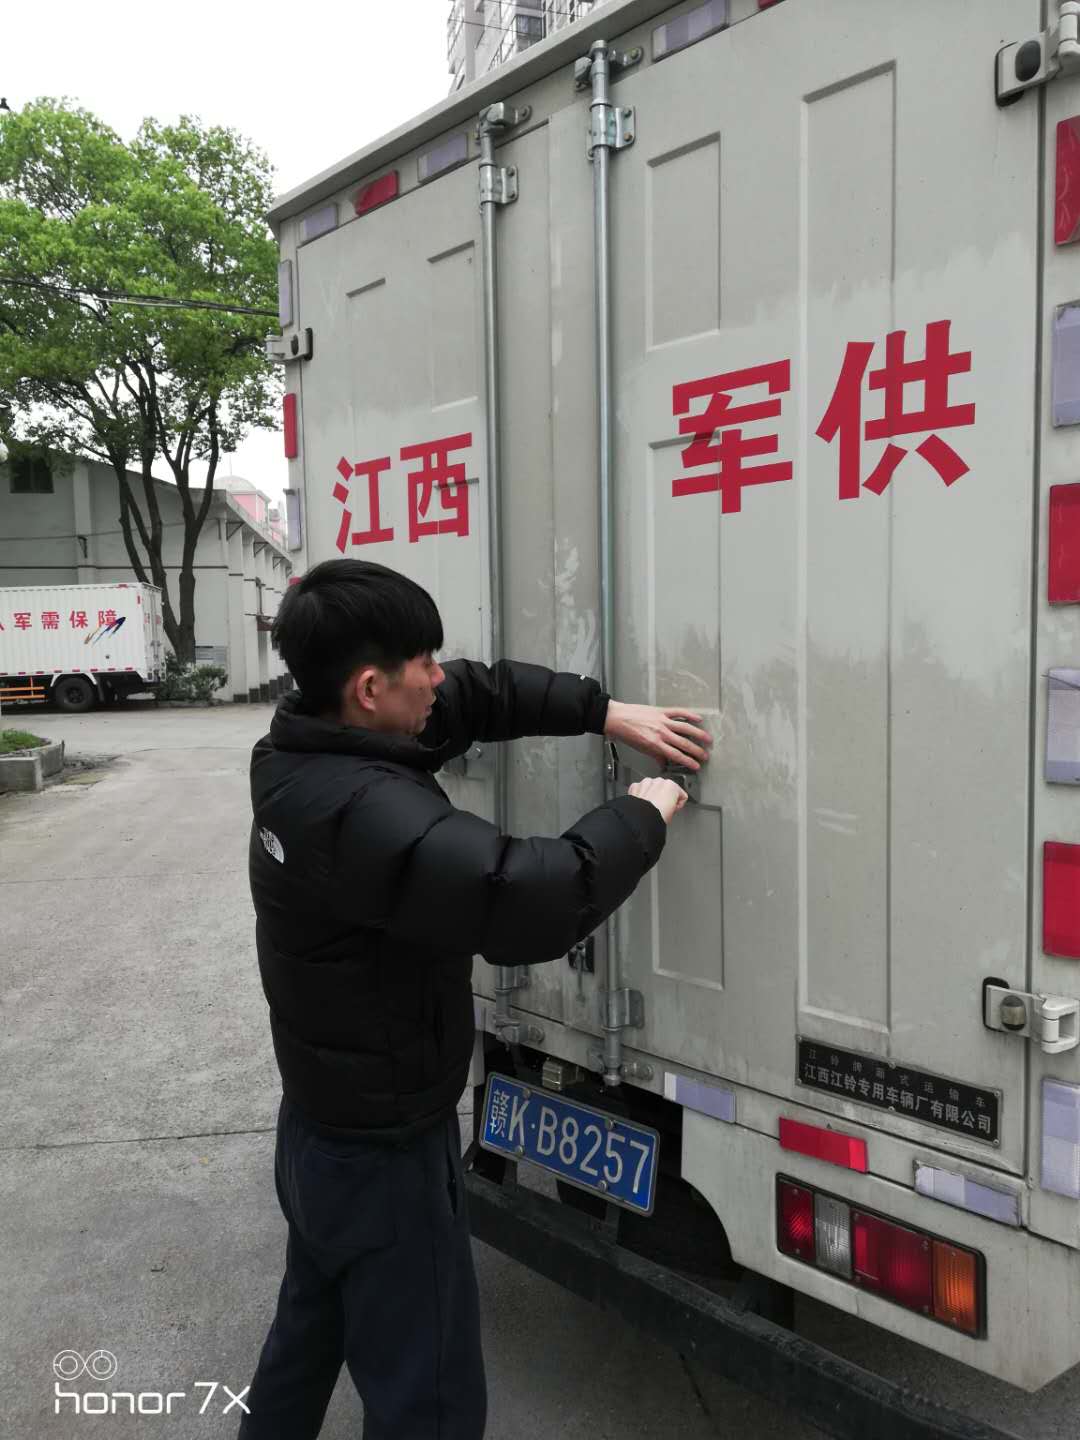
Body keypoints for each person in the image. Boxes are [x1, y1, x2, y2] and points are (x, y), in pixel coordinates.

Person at [238, 558, 712, 1440]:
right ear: (370, 688)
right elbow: (520, 895)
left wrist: (602, 710)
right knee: (431, 1401)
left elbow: (475, 694)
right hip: (384, 1158)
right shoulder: (359, 811)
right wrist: (641, 814)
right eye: (422, 663)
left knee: (310, 1325)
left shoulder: (306, 745)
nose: (438, 676)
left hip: (319, 1129)